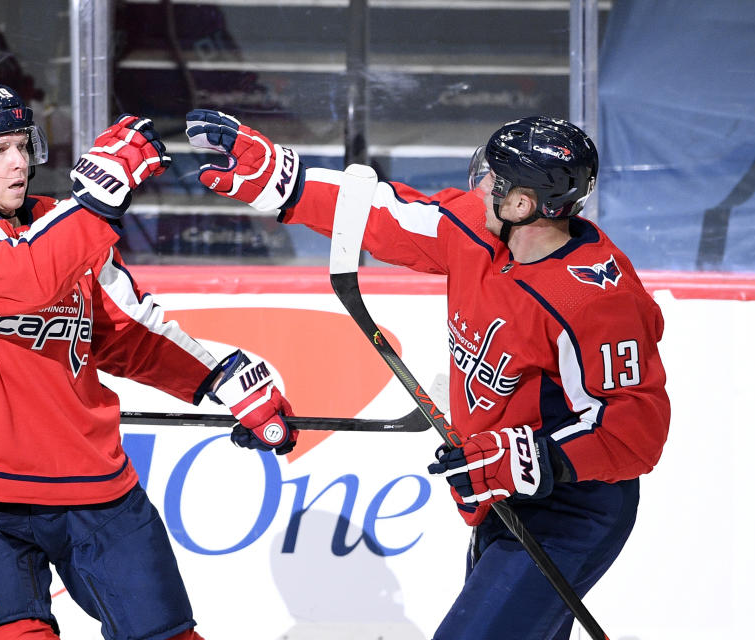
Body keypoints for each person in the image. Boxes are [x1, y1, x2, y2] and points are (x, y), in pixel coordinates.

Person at [183, 110, 670, 639]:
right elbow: (387, 216)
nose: (480, 185)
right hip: (499, 491)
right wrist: (287, 179)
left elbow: (632, 430)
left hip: (572, 507)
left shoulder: (596, 298)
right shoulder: (481, 231)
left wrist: (532, 457)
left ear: (524, 204)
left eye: (495, 180)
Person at [0, 84, 298, 640]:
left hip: (96, 486)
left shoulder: (69, 224)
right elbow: (23, 279)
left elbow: (129, 334)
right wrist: (95, 203)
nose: (18, 162)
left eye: (22, 145)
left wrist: (226, 383)